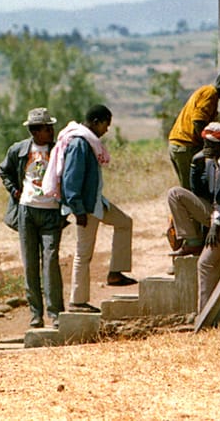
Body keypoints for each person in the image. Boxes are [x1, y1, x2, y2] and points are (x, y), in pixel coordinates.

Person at [43, 104, 135, 313]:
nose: (106, 130)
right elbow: (70, 181)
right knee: (83, 254)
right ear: (96, 122)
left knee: (124, 223)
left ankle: (116, 272)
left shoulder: (86, 142)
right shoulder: (80, 144)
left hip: (94, 201)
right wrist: (79, 210)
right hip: (85, 206)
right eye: (106, 125)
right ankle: (78, 301)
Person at [166, 122, 220, 312]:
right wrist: (195, 164)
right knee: (175, 193)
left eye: (209, 144)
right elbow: (200, 192)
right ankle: (191, 240)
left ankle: (205, 315)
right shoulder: (211, 164)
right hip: (212, 213)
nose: (206, 148)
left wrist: (217, 223)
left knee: (204, 264)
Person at [0, 107, 64, 329]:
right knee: (30, 265)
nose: (52, 131)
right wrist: (14, 191)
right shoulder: (19, 150)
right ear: (36, 131)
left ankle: (55, 313)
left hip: (52, 211)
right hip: (27, 211)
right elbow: (4, 171)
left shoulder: (58, 150)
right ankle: (36, 314)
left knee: (51, 261)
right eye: (48, 128)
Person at [167, 72, 220, 188]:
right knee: (192, 190)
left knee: (192, 187)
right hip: (186, 146)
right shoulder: (210, 94)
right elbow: (198, 121)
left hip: (180, 145)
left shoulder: (209, 94)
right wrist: (207, 146)